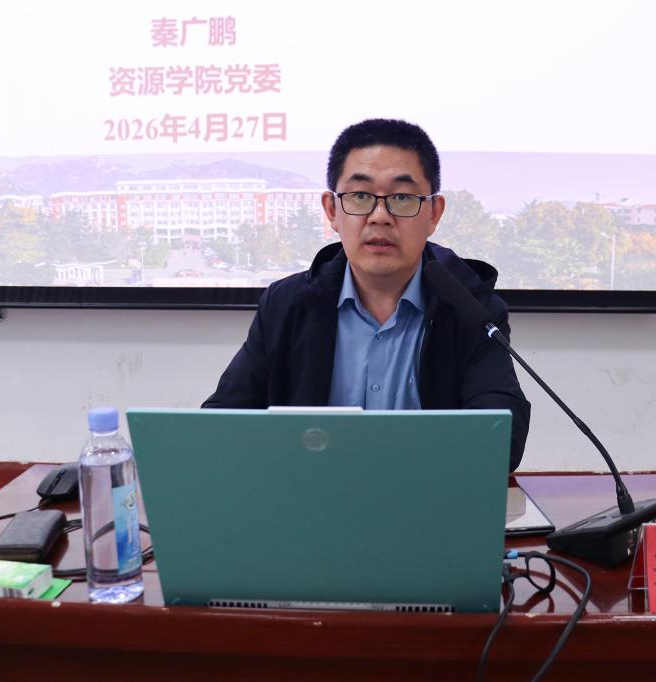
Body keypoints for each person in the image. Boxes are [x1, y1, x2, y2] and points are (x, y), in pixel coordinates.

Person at [202, 119, 530, 470]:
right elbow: (221, 427)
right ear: (332, 210)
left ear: (434, 213)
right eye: (360, 196)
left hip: (426, 496)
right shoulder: (286, 305)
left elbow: (501, 441)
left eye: (402, 198)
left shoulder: (471, 308)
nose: (380, 217)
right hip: (306, 495)